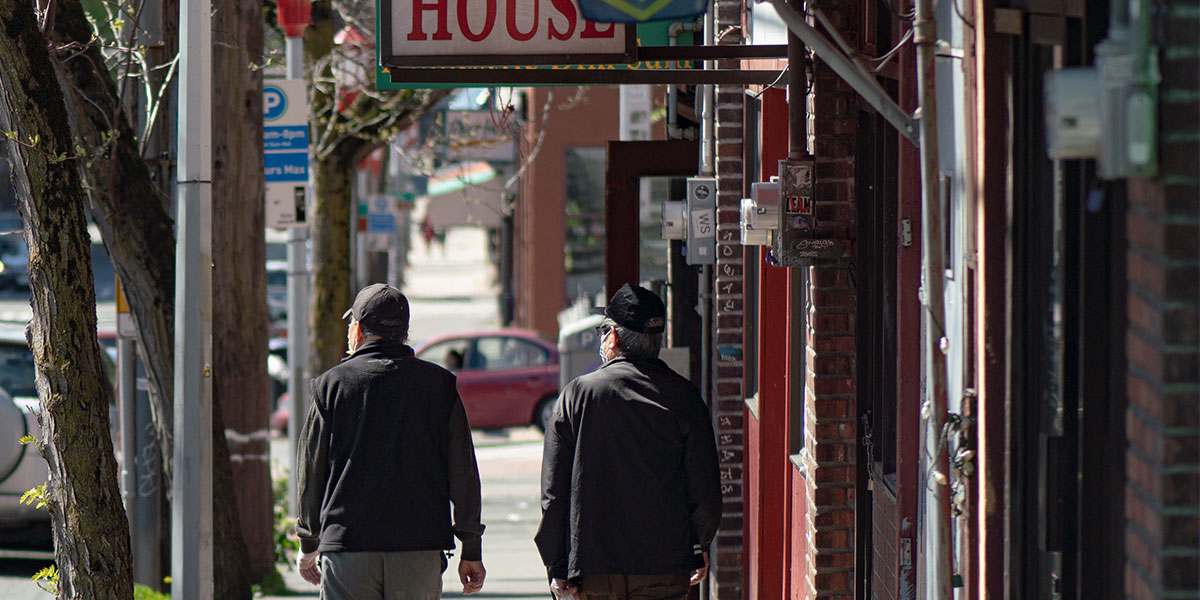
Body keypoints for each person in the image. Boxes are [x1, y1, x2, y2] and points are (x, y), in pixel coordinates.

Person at [296, 283, 487, 599]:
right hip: (419, 548)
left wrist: (308, 542)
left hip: (348, 549)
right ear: (404, 333)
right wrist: (471, 546)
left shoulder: (330, 387)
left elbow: (311, 469)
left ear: (358, 331)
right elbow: (462, 470)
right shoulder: (438, 385)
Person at [535, 283, 722, 600]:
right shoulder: (684, 397)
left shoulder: (576, 397)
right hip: (664, 566)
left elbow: (554, 493)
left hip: (592, 569)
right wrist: (698, 545)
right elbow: (704, 488)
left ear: (614, 336)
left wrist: (557, 566)